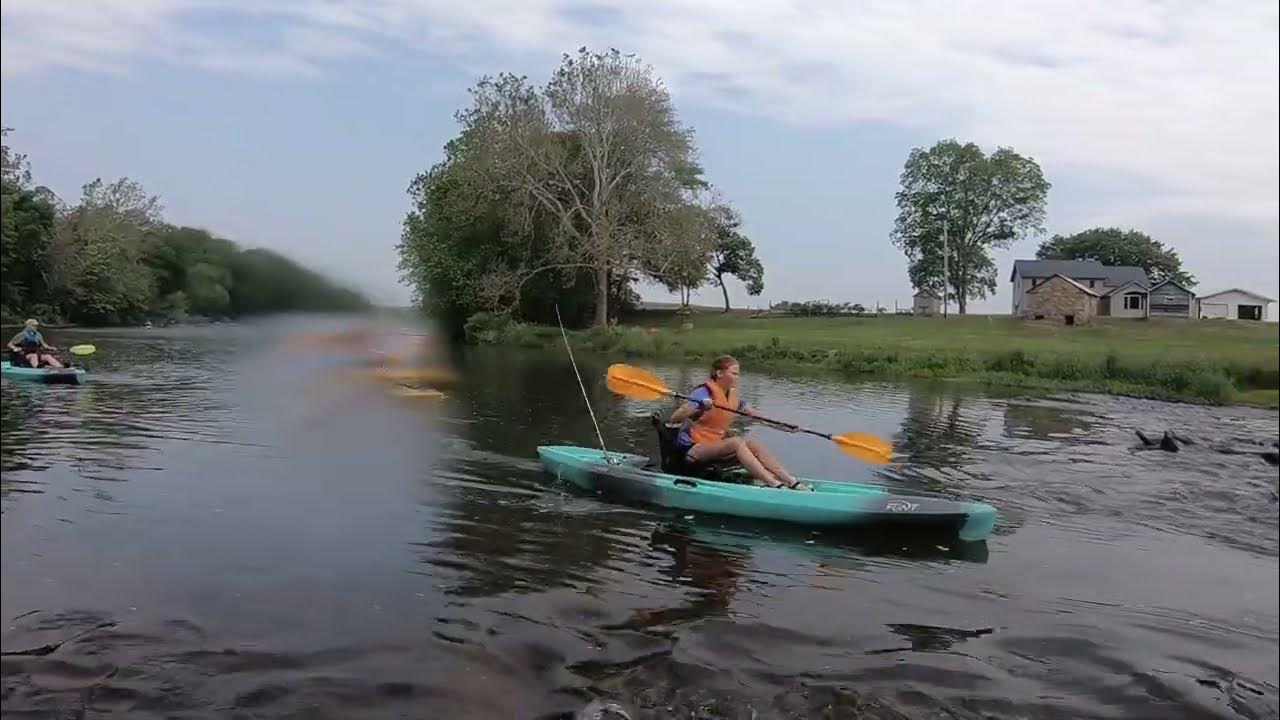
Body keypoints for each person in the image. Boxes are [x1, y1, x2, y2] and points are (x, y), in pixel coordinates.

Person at [668, 355, 811, 490]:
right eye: (734, 373)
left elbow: (758, 416)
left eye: (738, 374)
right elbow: (675, 418)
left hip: (715, 446)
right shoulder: (703, 392)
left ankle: (791, 482)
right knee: (735, 442)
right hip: (693, 450)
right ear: (719, 373)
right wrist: (699, 405)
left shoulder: (732, 396)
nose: (738, 377)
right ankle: (773, 484)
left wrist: (785, 427)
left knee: (753, 445)